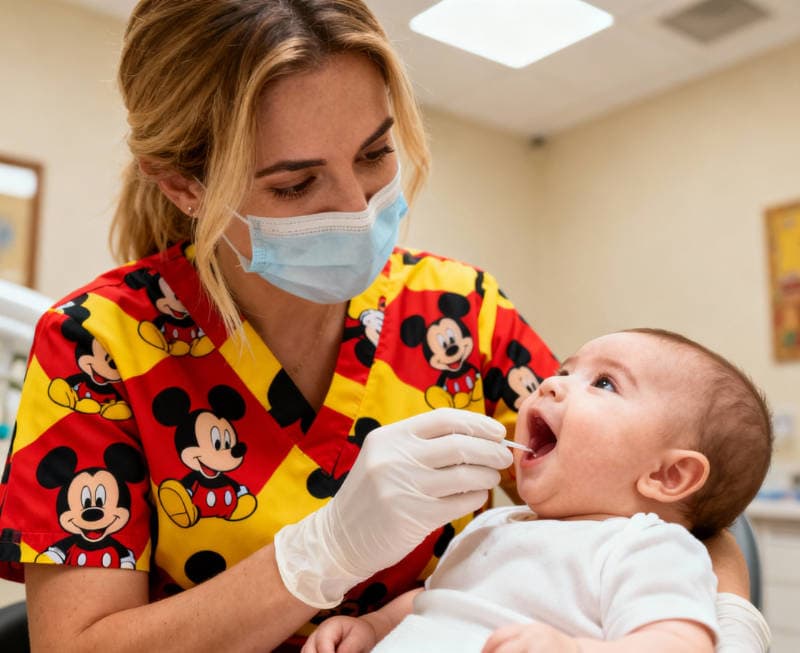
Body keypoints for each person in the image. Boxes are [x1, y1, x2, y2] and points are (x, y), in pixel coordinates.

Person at [0, 2, 759, 651]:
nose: (357, 207)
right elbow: (76, 642)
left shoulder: (457, 313)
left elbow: (667, 500)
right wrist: (317, 556)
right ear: (183, 185)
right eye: (296, 183)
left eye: (374, 154)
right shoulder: (98, 346)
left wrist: (725, 623)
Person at [303, 329, 773, 653]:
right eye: (566, 370)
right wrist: (370, 628)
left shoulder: (645, 547)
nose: (551, 383)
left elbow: (679, 643)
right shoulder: (492, 525)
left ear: (667, 476)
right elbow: (435, 599)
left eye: (604, 383)